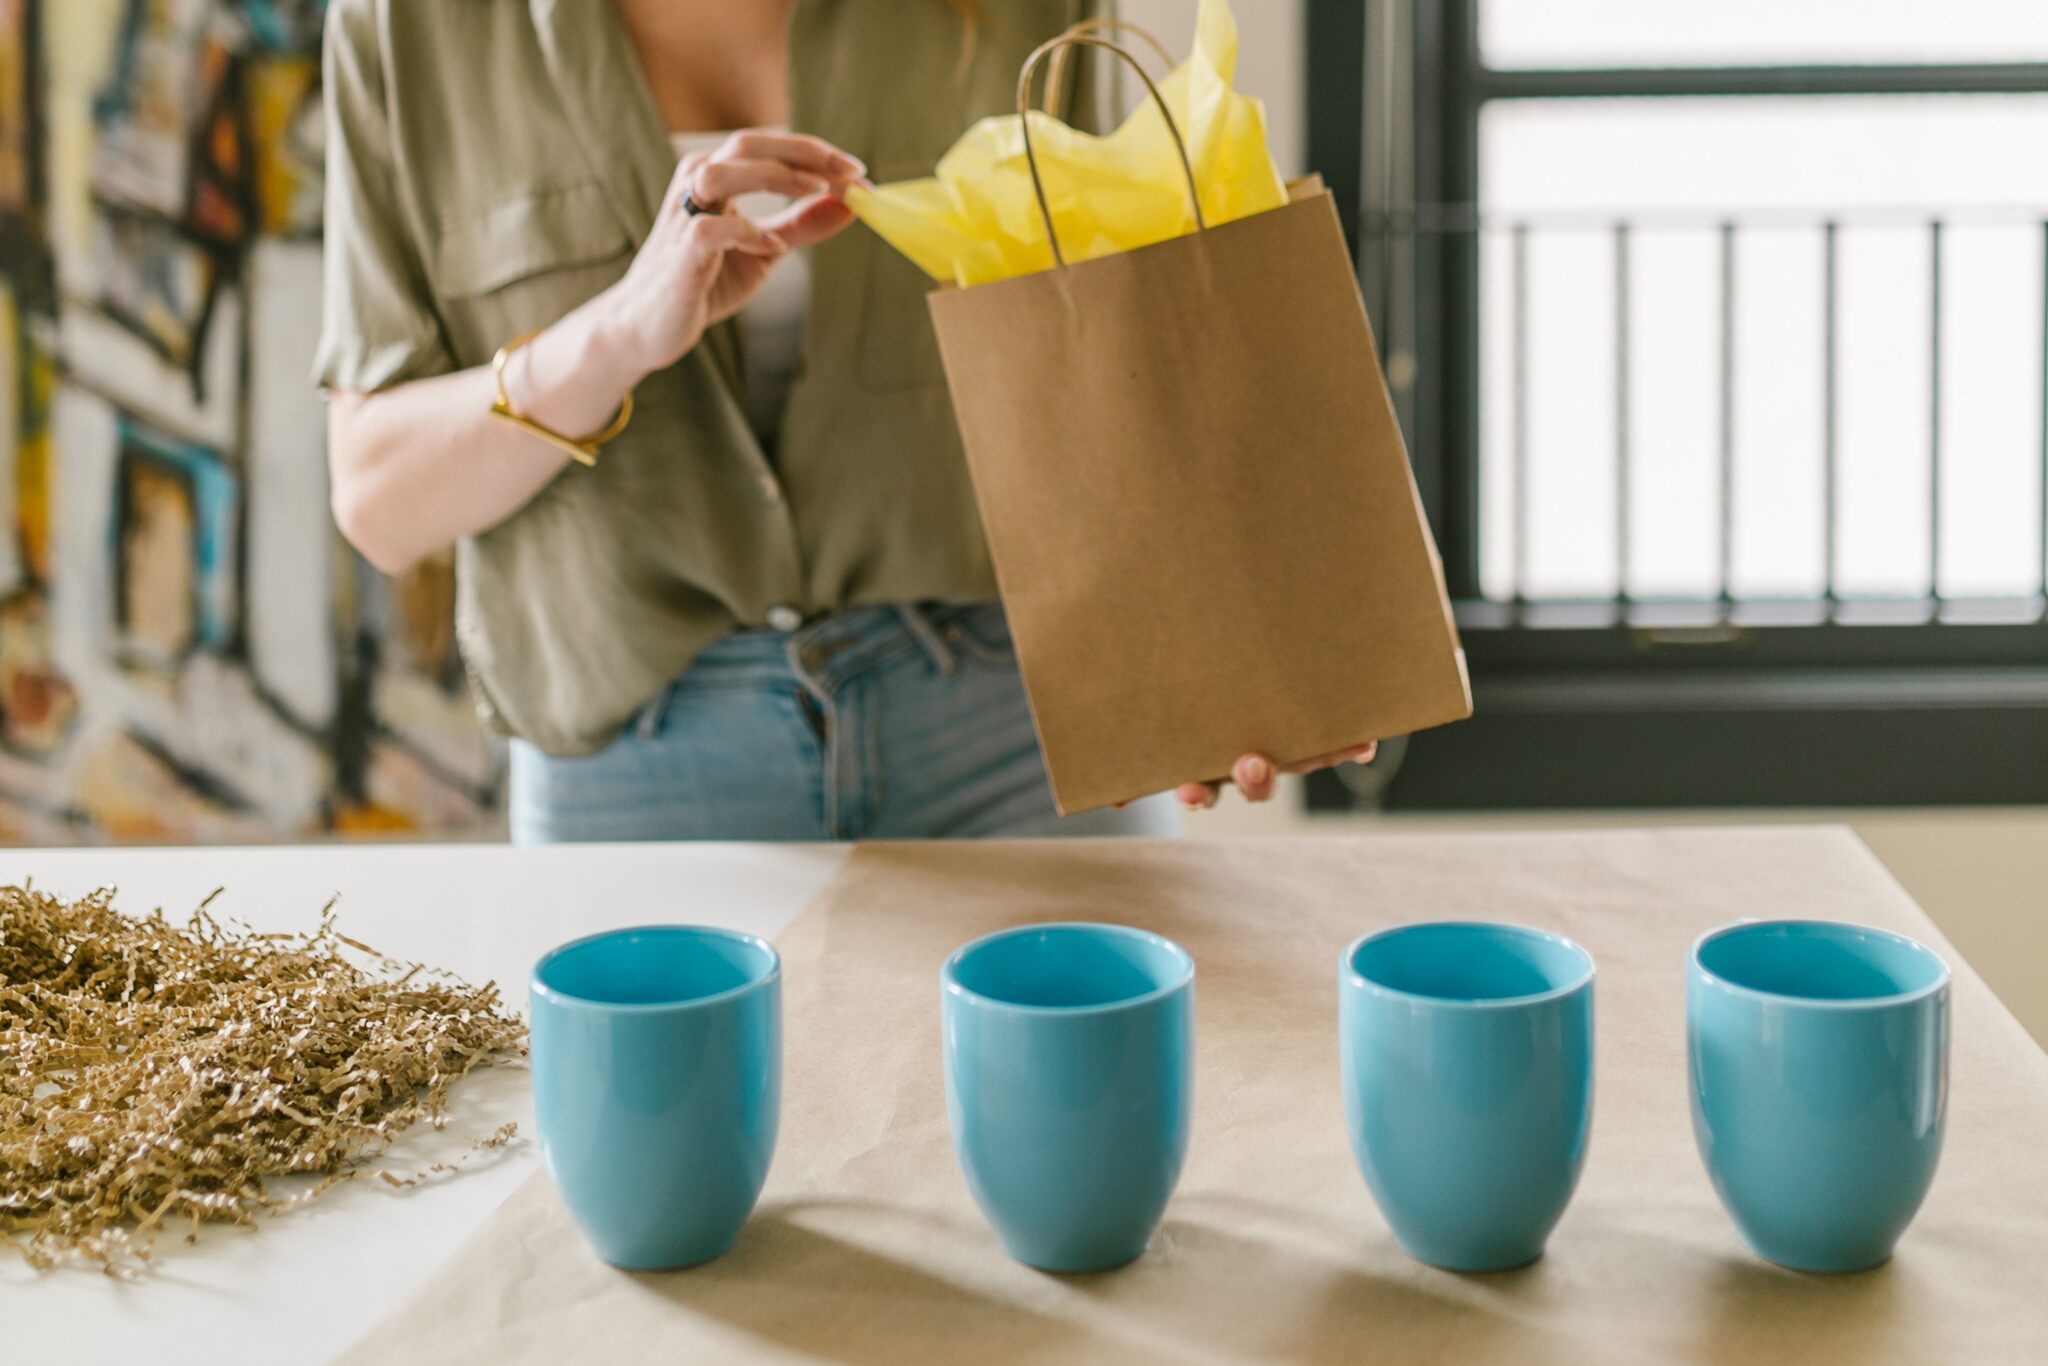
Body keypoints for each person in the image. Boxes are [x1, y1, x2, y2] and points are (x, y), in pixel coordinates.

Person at [317, 0, 1377, 843]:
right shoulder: (400, 30)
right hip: (632, 764)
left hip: (1014, 724)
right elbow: (379, 501)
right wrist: (614, 337)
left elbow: (1113, 361)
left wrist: (1232, 645)